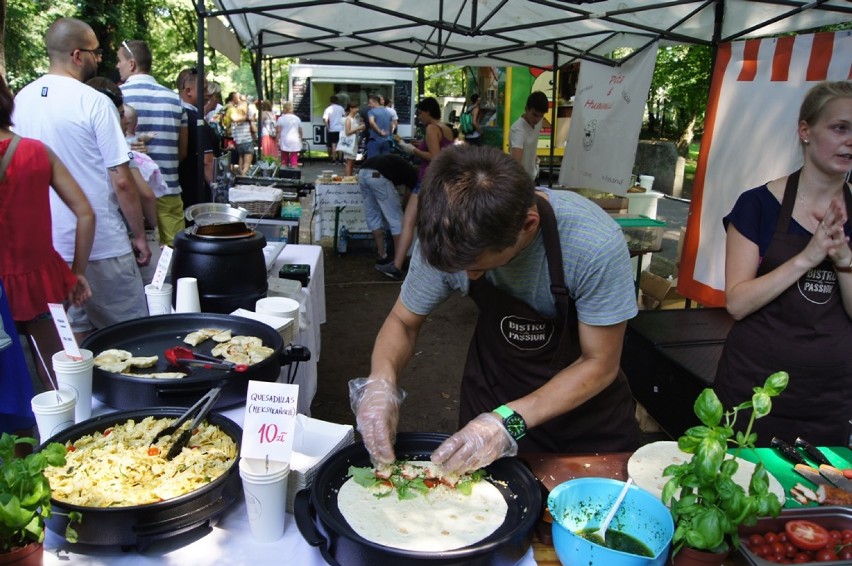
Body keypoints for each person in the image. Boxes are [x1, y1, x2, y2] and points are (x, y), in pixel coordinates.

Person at [351, 145, 640, 473]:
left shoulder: (592, 245)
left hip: (586, 425)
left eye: (475, 267)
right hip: (493, 396)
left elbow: (600, 363)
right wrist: (381, 383)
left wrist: (506, 423)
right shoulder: (448, 234)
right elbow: (403, 321)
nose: (463, 276)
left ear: (528, 225)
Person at [714, 81, 852, 446]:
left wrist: (843, 258)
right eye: (840, 128)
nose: (851, 140)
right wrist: (808, 257)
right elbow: (738, 303)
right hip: (753, 392)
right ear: (805, 131)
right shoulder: (756, 206)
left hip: (830, 398)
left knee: (819, 501)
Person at [13, 17, 150, 340]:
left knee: (72, 348)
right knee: (131, 339)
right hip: (102, 244)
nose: (99, 58)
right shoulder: (95, 102)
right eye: (95, 52)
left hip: (49, 248)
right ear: (77, 55)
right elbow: (122, 180)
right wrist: (139, 234)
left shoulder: (20, 101)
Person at [0, 73, 94, 390]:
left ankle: (18, 439)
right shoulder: (37, 152)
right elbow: (85, 212)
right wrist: (77, 273)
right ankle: (67, 434)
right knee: (58, 373)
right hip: (41, 282)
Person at [117, 39, 188, 246]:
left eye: (119, 60)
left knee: (140, 263)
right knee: (174, 259)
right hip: (169, 189)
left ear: (131, 64)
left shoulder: (116, 98)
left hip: (132, 195)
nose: (117, 66)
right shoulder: (175, 100)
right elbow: (182, 152)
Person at [387, 97, 454, 280]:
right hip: (440, 180)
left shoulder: (431, 128)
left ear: (427, 112)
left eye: (420, 113)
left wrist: (411, 150)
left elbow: (434, 156)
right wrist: (420, 145)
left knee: (408, 221)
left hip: (426, 179)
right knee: (435, 223)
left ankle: (397, 265)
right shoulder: (445, 128)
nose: (419, 117)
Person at [357, 154, 419, 278]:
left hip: (362, 173)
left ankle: (382, 255)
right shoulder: (414, 175)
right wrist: (405, 209)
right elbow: (409, 196)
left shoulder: (401, 165)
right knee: (397, 219)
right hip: (378, 175)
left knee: (373, 215)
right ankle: (398, 261)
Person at [176, 68, 217, 209]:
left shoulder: (183, 115)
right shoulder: (194, 119)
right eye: (204, 89)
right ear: (188, 91)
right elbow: (207, 162)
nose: (208, 94)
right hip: (196, 191)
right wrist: (218, 193)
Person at [509, 91, 548, 181]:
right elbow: (516, 163)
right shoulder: (518, 130)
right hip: (521, 180)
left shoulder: (539, 121)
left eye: (541, 116)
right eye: (534, 115)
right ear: (526, 109)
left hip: (532, 175)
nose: (537, 119)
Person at [230, 94, 257, 175]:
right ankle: (243, 175)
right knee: (247, 164)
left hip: (238, 142)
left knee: (241, 160)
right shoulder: (248, 116)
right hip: (247, 141)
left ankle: (240, 173)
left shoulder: (235, 116)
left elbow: (233, 131)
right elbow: (255, 130)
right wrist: (252, 122)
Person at [276, 101, 303, 168]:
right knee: (294, 161)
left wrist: (277, 141)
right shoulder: (297, 119)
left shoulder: (281, 119)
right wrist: (301, 138)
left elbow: (278, 131)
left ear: (284, 108)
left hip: (284, 140)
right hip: (295, 140)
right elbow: (300, 131)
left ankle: (284, 175)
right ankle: (294, 175)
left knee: (284, 161)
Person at [341, 101, 365, 176]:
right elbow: (347, 132)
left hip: (353, 142)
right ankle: (348, 179)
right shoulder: (348, 119)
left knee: (352, 162)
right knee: (349, 162)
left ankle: (350, 177)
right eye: (355, 108)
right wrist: (359, 128)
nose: (357, 109)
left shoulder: (354, 118)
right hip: (349, 142)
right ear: (351, 109)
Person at [322, 95, 345, 164]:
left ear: (330, 101)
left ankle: (334, 159)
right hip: (341, 129)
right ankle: (340, 159)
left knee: (333, 144)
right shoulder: (341, 108)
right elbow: (344, 117)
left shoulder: (328, 109)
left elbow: (325, 119)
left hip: (332, 129)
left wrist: (327, 127)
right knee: (340, 144)